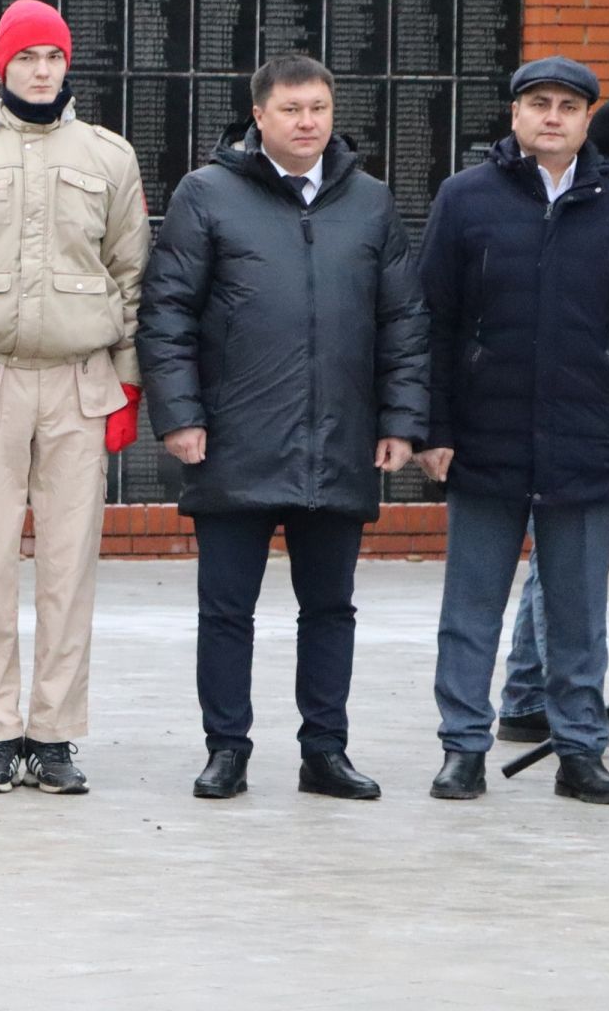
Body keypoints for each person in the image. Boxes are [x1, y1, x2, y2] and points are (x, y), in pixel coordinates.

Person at [137, 54, 428, 801]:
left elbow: (402, 321)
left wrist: (401, 420)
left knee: (330, 608)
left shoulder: (369, 202)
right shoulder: (207, 196)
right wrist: (180, 416)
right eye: (292, 109)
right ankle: (226, 749)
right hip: (234, 439)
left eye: (319, 109)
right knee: (227, 609)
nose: (307, 122)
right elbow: (166, 313)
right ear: (259, 116)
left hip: (340, 441)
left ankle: (324, 751)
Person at [0, 0, 150, 796]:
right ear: (1, 65)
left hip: (80, 386)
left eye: (53, 56)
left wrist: (129, 384)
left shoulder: (109, 157)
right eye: (27, 57)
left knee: (69, 568)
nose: (42, 71)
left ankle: (54, 733)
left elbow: (132, 279)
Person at [418, 57, 609, 805]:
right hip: (483, 439)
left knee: (576, 615)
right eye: (539, 103)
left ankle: (580, 751)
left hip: (586, 440)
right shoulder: (465, 199)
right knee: (470, 610)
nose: (553, 116)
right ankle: (463, 748)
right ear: (516, 115)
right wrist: (433, 428)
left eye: (568, 104)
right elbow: (431, 324)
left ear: (588, 119)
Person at [495, 92, 609, 745]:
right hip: (567, 414)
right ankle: (540, 698)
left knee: (552, 563)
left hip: (590, 409)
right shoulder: (588, 208)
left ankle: (523, 693)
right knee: (565, 570)